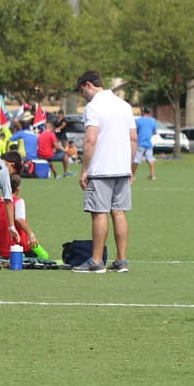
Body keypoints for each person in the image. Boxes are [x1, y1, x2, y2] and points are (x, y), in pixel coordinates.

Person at [73, 71, 135, 274]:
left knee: (99, 213)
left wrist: (84, 169)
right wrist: (129, 167)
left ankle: (96, 261)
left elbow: (90, 139)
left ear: (88, 85)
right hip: (121, 169)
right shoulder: (124, 105)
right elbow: (133, 138)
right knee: (119, 212)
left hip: (100, 169)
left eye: (81, 90)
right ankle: (121, 261)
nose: (82, 95)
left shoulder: (93, 107)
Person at [132, 106, 158, 182]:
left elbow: (135, 131)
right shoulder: (152, 121)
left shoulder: (138, 121)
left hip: (140, 143)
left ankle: (132, 175)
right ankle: (152, 176)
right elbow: (154, 132)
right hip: (148, 143)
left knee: (136, 160)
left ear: (143, 112)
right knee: (150, 159)